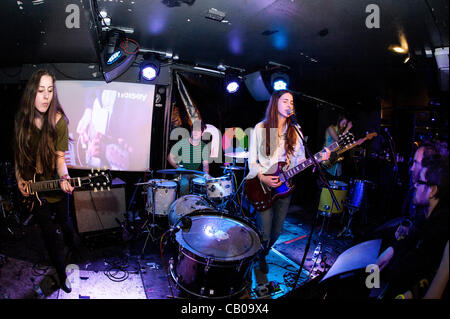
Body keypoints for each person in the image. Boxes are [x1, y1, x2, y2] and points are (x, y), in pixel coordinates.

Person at [246, 90, 330, 274]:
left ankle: (261, 254)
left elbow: (301, 160)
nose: (289, 105)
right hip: (262, 185)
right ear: (275, 104)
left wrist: (319, 158)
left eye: (291, 102)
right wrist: (263, 177)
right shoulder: (261, 128)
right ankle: (253, 257)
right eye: (285, 101)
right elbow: (252, 161)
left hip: (285, 188)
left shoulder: (296, 130)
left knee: (276, 233)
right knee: (265, 233)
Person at [14, 69, 76, 294]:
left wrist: (65, 177)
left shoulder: (59, 121)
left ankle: (74, 252)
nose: (46, 96)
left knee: (66, 226)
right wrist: (20, 178)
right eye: (41, 90)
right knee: (49, 236)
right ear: (32, 92)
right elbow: (19, 155)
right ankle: (61, 275)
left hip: (55, 187)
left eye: (50, 90)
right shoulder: (23, 120)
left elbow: (60, 159)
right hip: (36, 190)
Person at [375, 156, 448, 299]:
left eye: (420, 182)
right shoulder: (426, 220)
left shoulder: (437, 231)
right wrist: (392, 250)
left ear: (432, 191)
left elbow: (405, 273)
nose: (414, 185)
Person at [168, 120, 210, 195]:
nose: (195, 132)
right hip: (182, 173)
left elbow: (205, 165)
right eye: (194, 130)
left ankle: (199, 204)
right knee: (185, 184)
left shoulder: (204, 147)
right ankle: (184, 205)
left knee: (207, 183)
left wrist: (206, 174)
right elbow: (169, 157)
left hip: (195, 172)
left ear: (202, 133)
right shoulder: (182, 143)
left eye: (198, 131)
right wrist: (178, 167)